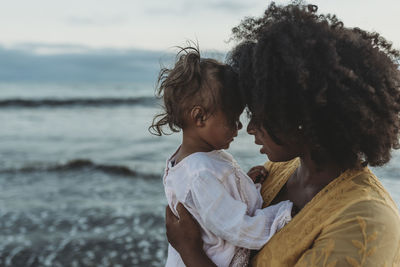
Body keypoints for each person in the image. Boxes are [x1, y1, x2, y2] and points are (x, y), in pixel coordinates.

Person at [165, 3, 400, 266]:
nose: (250, 128)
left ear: (300, 117)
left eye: (259, 114)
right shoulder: (279, 170)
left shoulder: (365, 223)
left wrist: (189, 250)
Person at [150, 46, 293, 267]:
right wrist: (284, 213)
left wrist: (245, 185)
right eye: (232, 119)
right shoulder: (200, 174)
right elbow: (239, 228)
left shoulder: (191, 162)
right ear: (200, 117)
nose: (239, 127)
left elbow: (215, 208)